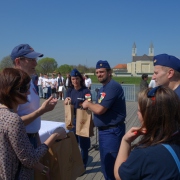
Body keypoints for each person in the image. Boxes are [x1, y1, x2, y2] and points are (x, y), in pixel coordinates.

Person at [0, 68, 67, 179]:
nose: (28, 92)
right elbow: (30, 160)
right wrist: (55, 136)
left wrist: (43, 168)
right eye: (24, 89)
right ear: (9, 91)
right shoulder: (13, 120)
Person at [114, 86, 180, 180]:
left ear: (150, 116)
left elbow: (119, 175)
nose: (137, 114)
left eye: (139, 111)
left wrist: (125, 141)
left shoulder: (143, 154)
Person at [82, 60, 126, 180]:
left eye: (102, 71)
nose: (99, 74)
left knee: (111, 165)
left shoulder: (113, 87)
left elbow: (100, 109)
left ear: (109, 72)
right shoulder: (103, 89)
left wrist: (88, 104)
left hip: (112, 132)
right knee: (106, 164)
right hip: (104, 132)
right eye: (97, 72)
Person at [10, 44, 58, 148]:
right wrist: (42, 111)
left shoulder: (28, 81)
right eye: (31, 59)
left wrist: (36, 137)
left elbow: (30, 112)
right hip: (20, 141)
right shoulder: (13, 85)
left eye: (35, 59)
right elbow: (10, 123)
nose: (36, 63)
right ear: (18, 61)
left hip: (32, 137)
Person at [64, 69, 91, 169]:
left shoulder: (86, 91)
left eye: (76, 79)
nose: (75, 81)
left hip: (83, 121)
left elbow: (90, 103)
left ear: (80, 79)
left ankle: (83, 165)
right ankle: (74, 163)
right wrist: (66, 100)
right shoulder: (70, 91)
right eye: (73, 79)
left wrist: (87, 104)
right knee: (72, 144)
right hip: (72, 120)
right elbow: (65, 103)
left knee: (84, 146)